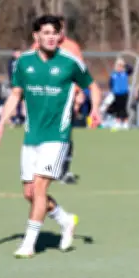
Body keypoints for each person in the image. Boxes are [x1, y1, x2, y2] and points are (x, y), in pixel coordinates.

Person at [0, 15, 103, 259]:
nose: (51, 37)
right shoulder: (23, 63)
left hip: (57, 136)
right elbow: (15, 94)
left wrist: (95, 109)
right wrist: (1, 123)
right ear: (36, 36)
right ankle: (65, 220)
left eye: (55, 33)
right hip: (32, 136)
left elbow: (93, 87)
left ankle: (28, 244)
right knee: (30, 193)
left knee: (40, 187)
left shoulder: (70, 62)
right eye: (46, 33)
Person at [32, 18, 84, 184]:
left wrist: (78, 94)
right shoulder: (38, 46)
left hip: (65, 99)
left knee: (64, 134)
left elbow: (79, 72)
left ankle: (63, 171)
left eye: (60, 29)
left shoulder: (72, 47)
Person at [107, 58, 132, 129]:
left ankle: (125, 123)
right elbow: (110, 84)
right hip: (116, 94)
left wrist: (124, 65)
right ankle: (118, 122)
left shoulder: (125, 73)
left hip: (124, 93)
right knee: (117, 108)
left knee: (123, 108)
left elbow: (131, 69)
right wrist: (112, 91)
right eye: (118, 66)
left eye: (120, 66)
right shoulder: (113, 75)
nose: (119, 67)